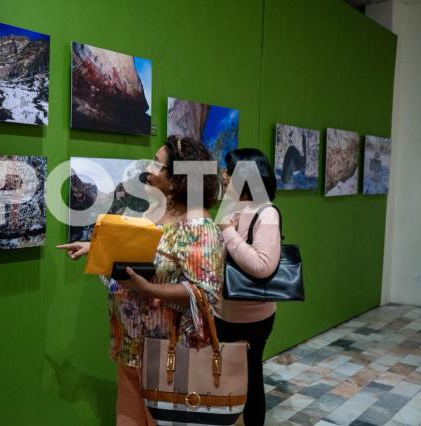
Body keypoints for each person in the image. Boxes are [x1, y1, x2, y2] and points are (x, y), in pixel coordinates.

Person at [57, 136, 224, 425]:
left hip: (169, 353)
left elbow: (205, 293)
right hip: (131, 345)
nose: (150, 168)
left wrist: (147, 288)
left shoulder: (198, 227)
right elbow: (139, 254)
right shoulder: (156, 213)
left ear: (179, 178)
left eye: (159, 165)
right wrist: (93, 248)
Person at [215, 148, 280, 426]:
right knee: (226, 377)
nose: (222, 174)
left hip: (251, 317)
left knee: (250, 377)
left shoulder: (266, 214)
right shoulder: (231, 206)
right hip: (222, 312)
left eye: (228, 170)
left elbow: (262, 265)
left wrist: (227, 231)